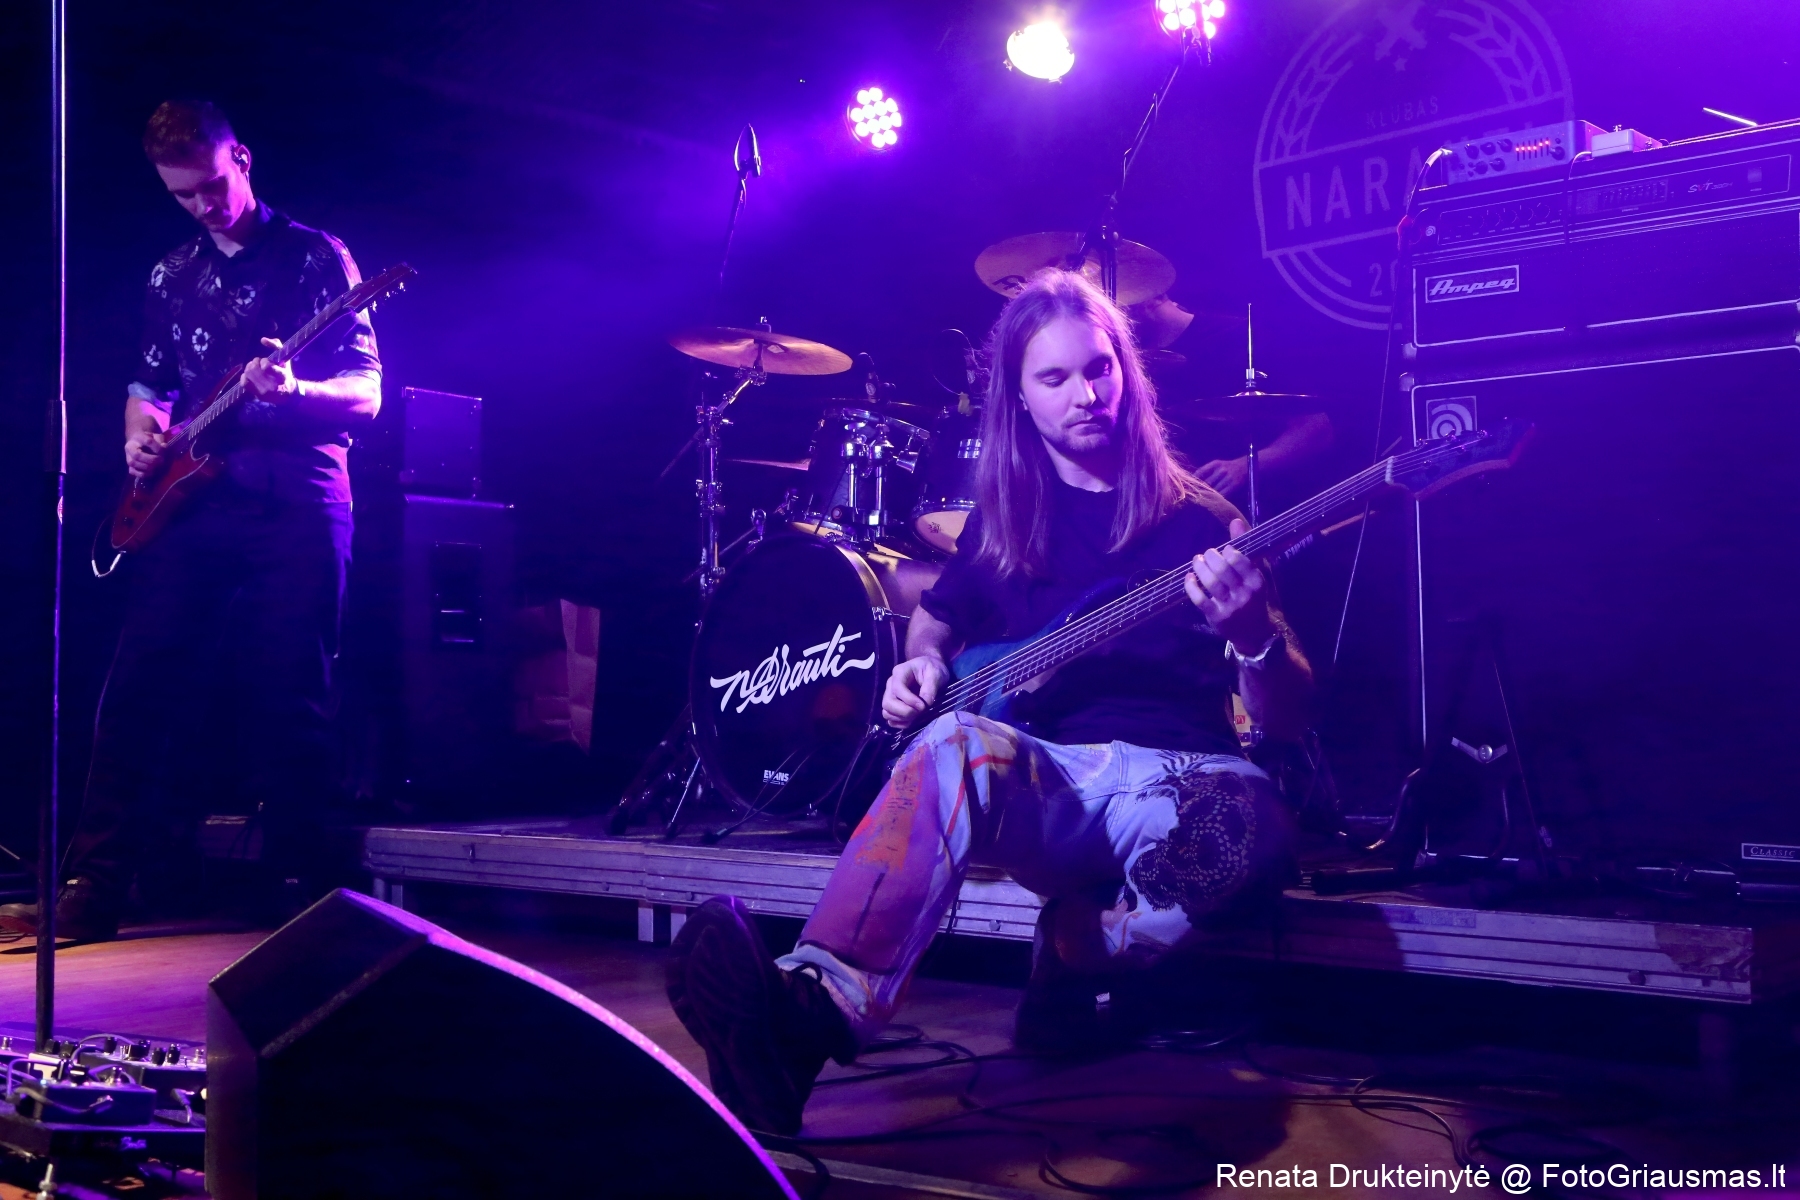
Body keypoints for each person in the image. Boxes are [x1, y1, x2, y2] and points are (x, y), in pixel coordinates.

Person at [665, 269, 1312, 1135]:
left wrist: (1254, 637)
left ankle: (1081, 946)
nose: (1087, 395)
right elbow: (934, 621)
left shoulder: (1208, 521)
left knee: (1256, 819)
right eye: (1056, 378)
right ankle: (806, 1018)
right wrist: (918, 665)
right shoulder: (1004, 521)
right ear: (1020, 397)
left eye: (1101, 369)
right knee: (953, 742)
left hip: (1180, 782)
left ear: (1127, 370)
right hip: (1053, 786)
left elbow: (1286, 718)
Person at [0, 100, 382, 943]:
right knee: (137, 686)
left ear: (241, 157)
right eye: (183, 195)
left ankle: (305, 889)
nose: (204, 206)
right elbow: (150, 385)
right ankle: (95, 885)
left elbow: (367, 393)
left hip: (298, 491)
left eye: (212, 185)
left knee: (292, 690)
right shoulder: (170, 273)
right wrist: (138, 436)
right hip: (194, 497)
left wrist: (295, 390)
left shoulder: (316, 255)